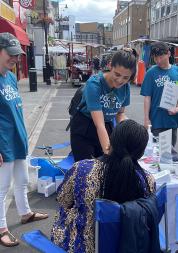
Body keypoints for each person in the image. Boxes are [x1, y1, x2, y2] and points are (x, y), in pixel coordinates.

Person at [51, 119, 155, 253]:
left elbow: (63, 200)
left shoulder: (82, 169)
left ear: (111, 142)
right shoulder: (147, 180)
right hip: (128, 245)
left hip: (83, 246)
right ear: (140, 153)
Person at [0, 33, 48, 247]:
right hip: (3, 142)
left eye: (16, 55)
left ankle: (25, 212)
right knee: (2, 187)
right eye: (10, 54)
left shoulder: (10, 77)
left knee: (22, 180)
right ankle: (1, 227)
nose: (15, 59)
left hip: (17, 137)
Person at [70, 49, 137, 162]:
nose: (120, 80)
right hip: (85, 126)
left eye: (126, 78)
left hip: (107, 125)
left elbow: (120, 113)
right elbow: (99, 124)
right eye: (117, 74)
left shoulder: (125, 87)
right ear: (110, 66)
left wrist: (129, 128)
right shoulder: (94, 84)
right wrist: (110, 156)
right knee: (87, 168)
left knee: (105, 170)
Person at [141, 41, 178, 146]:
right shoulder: (151, 73)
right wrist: (146, 119)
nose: (158, 61)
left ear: (169, 54)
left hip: (172, 121)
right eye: (155, 58)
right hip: (156, 120)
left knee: (168, 155)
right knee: (158, 153)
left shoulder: (176, 71)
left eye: (161, 57)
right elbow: (147, 97)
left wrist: (176, 109)